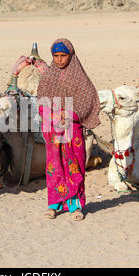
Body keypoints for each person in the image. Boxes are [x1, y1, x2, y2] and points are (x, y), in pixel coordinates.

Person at [37, 38, 101, 221]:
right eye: (55, 56)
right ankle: (54, 204)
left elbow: (88, 101)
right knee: (54, 166)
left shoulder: (80, 78)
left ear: (71, 56)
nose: (59, 60)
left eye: (63, 56)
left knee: (75, 166)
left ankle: (76, 205)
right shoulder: (48, 77)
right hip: (53, 130)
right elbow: (41, 102)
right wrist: (51, 114)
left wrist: (71, 114)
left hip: (73, 131)